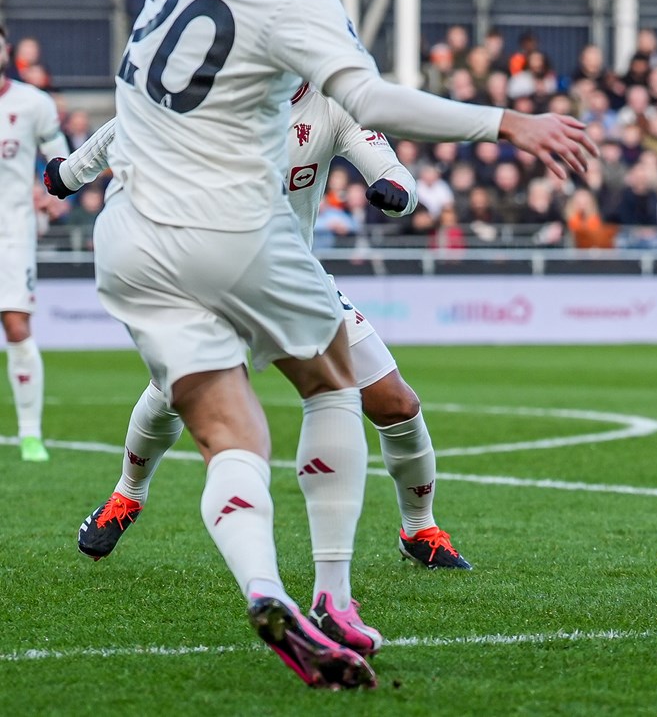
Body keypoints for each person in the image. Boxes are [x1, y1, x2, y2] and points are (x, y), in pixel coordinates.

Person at [92, 0, 592, 690]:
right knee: (332, 385)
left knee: (228, 433)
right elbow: (371, 99)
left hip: (128, 239)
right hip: (229, 232)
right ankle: (332, 596)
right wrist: (506, 122)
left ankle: (264, 590)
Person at [49, 82, 475, 581]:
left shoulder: (332, 103)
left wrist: (396, 192)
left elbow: (390, 167)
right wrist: (72, 172)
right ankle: (128, 494)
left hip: (297, 282)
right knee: (172, 393)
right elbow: (133, 122)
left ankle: (419, 529)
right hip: (215, 276)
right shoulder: (221, 86)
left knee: (396, 403)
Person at [0, 23, 70, 462]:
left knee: (16, 324)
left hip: (12, 229)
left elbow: (58, 158)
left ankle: (30, 434)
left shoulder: (33, 103)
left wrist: (51, 192)